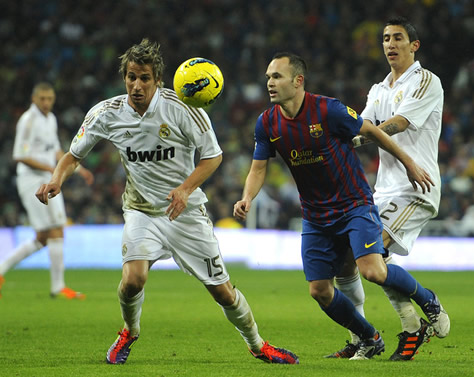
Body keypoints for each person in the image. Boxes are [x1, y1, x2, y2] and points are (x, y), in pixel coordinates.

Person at [36, 39, 299, 365]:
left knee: (223, 292)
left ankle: (258, 344)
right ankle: (129, 332)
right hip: (141, 210)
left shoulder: (184, 108)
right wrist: (55, 180)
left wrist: (185, 189)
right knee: (133, 280)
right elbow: (73, 156)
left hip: (185, 212)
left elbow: (213, 157)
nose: (136, 85)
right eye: (131, 77)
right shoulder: (106, 114)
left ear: (158, 80)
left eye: (144, 78)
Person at [233, 51, 449, 360]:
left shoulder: (328, 110)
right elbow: (257, 168)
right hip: (316, 215)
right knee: (319, 290)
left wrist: (409, 164)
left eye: (276, 76)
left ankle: (428, 299)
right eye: (268, 76)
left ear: (298, 81)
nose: (269, 82)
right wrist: (247, 197)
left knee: (372, 270)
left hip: (354, 205)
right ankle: (368, 337)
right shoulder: (266, 123)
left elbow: (372, 131)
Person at [328, 17, 450, 361]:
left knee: (370, 257)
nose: (390, 44)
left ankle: (427, 300)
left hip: (416, 187)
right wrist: (334, 139)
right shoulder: (379, 88)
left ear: (414, 45)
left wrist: (359, 134)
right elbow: (360, 124)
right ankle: (395, 329)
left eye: (398, 38)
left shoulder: (426, 82)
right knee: (349, 261)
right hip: (383, 191)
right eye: (385, 38)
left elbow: (396, 124)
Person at [0, 82, 93, 299]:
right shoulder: (28, 120)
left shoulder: (50, 119)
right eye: (42, 98)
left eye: (49, 99)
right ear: (34, 99)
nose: (46, 103)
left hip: (49, 179)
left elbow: (57, 151)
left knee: (43, 237)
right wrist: (50, 168)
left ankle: (1, 271)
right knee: (55, 230)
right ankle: (58, 287)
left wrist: (80, 170)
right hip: (31, 180)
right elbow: (20, 155)